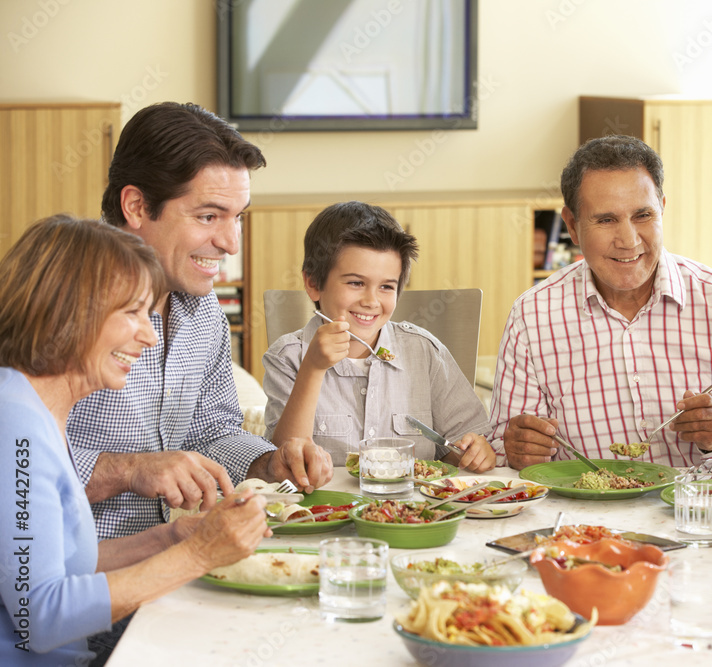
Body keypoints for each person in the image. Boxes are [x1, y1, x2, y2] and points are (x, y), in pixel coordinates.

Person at [0, 216, 270, 666]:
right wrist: (199, 555)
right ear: (67, 310)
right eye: (131, 313)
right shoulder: (15, 426)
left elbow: (61, 566)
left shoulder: (36, 410)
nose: (148, 335)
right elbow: (38, 615)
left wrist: (172, 538)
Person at [67, 102, 333, 541]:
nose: (230, 243)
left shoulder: (203, 309)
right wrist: (129, 469)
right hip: (67, 574)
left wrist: (268, 462)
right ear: (136, 205)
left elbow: (212, 432)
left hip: (166, 555)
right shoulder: (57, 298)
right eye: (209, 216)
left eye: (238, 217)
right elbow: (13, 458)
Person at [489, 135, 712, 470]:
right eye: (606, 220)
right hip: (583, 518)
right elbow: (504, 449)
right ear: (573, 227)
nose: (629, 240)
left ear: (662, 208)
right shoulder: (532, 316)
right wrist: (515, 449)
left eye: (643, 215)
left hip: (699, 514)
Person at [262, 201, 495, 472]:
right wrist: (313, 368)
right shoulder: (288, 357)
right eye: (356, 283)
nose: (371, 301)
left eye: (386, 286)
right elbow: (284, 465)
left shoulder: (424, 352)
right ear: (314, 284)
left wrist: (475, 452)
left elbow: (463, 446)